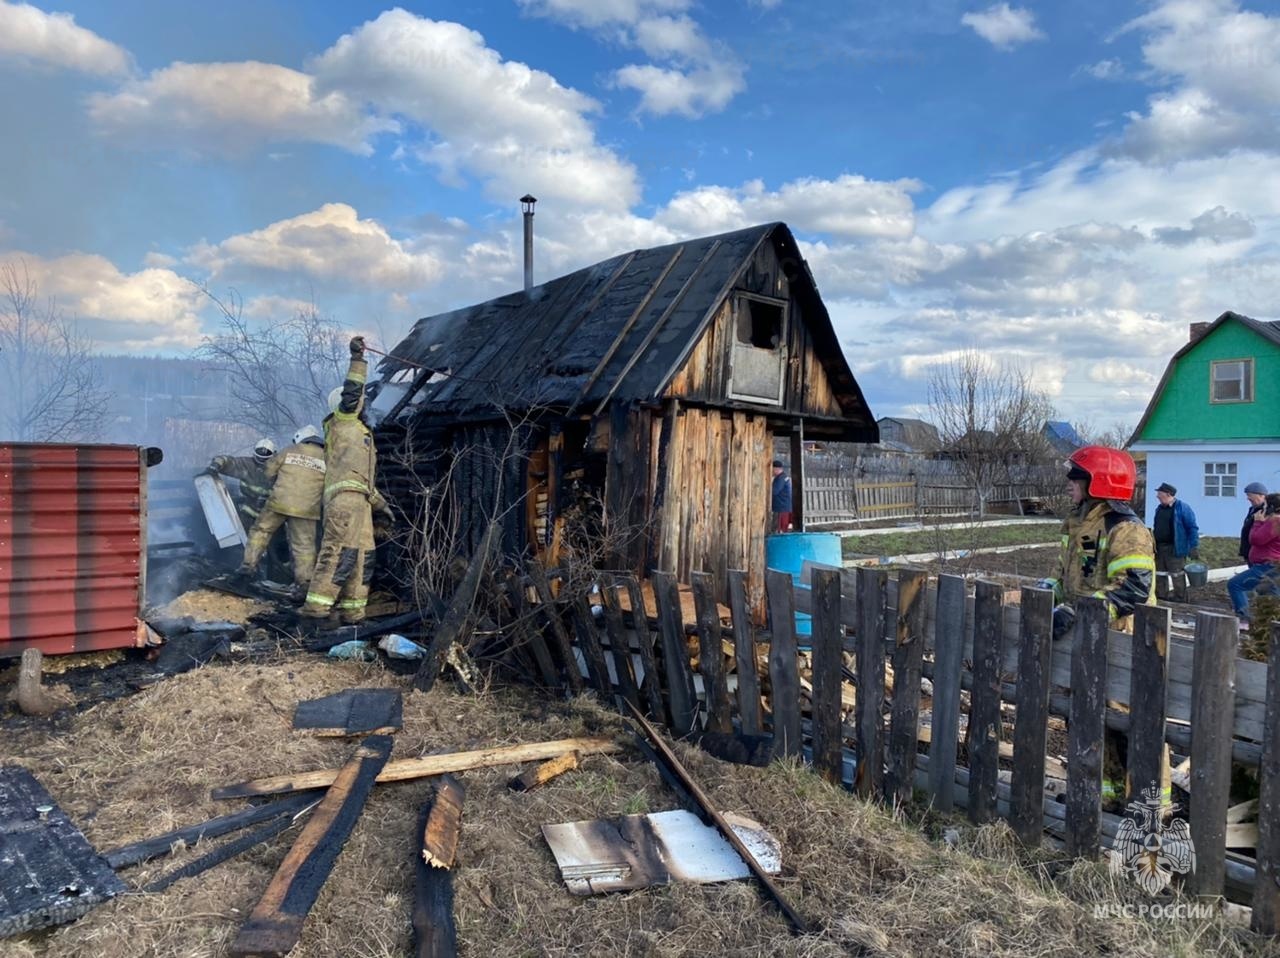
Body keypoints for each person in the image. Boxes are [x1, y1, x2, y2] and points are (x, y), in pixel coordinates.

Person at [1041, 445, 1156, 806]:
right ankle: (1100, 793)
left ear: (1098, 483)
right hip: (1089, 636)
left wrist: (1077, 614)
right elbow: (1068, 577)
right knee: (1088, 714)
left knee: (1125, 720)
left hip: (1123, 638)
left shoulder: (1126, 529)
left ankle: (1148, 801)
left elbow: (1134, 587)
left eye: (1076, 478)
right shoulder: (1077, 523)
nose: (1068, 485)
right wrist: (1046, 596)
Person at [300, 336, 394, 625]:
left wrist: (382, 506)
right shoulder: (343, 422)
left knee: (363, 558)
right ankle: (315, 614)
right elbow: (353, 391)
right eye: (360, 401)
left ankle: (354, 615)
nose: (363, 404)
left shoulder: (362, 436)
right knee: (337, 555)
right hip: (343, 503)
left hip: (360, 504)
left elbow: (361, 480)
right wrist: (358, 359)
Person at [233, 425, 326, 596]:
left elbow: (268, 472)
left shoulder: (289, 450)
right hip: (307, 509)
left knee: (260, 531)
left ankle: (247, 567)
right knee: (304, 547)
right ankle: (304, 585)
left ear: (300, 438)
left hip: (279, 503)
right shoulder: (327, 457)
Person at [1228, 492, 1280, 631]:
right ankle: (1269, 628)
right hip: (1274, 565)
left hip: (1267, 566)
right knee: (1270, 597)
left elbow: (1256, 539)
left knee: (1235, 585)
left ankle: (1244, 619)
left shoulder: (1275, 521)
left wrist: (1257, 522)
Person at [207, 439, 276, 532]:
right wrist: (216, 464)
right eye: (259, 457)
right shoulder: (247, 465)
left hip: (272, 515)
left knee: (275, 543)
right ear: (254, 454)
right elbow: (228, 460)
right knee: (245, 538)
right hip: (249, 511)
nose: (261, 461)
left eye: (265, 459)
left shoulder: (281, 468)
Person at [1151, 482, 1199, 601]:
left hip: (1175, 548)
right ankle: (1161, 597)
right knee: (1159, 573)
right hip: (1159, 548)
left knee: (1177, 574)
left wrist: (1193, 546)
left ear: (1168, 494)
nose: (1157, 496)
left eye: (1159, 493)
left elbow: (1192, 528)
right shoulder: (1159, 509)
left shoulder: (1182, 508)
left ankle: (1180, 598)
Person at [1239, 482, 1268, 563]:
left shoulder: (1265, 512)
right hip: (1249, 553)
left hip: (1260, 556)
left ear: (1261, 495)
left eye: (1250, 495)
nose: (1248, 498)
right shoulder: (1252, 509)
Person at [771, 459, 793, 532]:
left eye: (772, 469)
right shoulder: (784, 477)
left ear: (776, 469)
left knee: (780, 529)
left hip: (781, 507)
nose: (772, 471)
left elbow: (774, 491)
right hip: (785, 506)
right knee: (783, 528)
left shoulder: (780, 479)